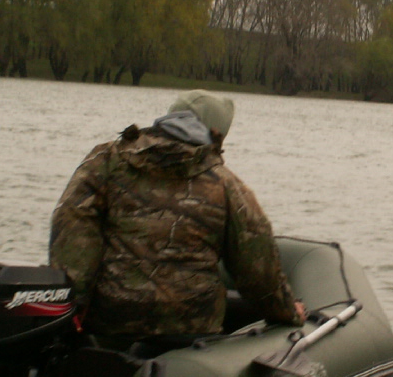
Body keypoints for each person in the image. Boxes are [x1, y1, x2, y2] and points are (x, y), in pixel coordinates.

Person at [48, 90, 305, 350]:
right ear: (215, 133)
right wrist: (287, 311)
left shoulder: (105, 161)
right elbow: (257, 267)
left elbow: (72, 230)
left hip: (110, 323)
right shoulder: (226, 184)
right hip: (191, 332)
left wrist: (75, 304)